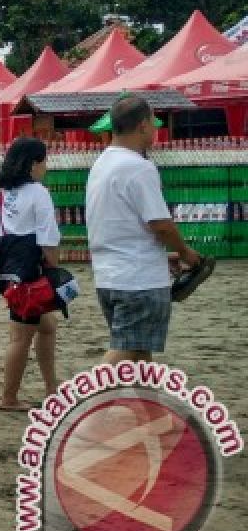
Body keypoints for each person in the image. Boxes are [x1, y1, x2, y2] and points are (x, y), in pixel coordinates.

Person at [86, 96, 201, 364]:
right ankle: (87, 399)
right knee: (125, 352)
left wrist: (161, 258)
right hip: (138, 279)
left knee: (138, 355)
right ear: (142, 126)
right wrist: (184, 252)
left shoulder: (101, 164)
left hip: (108, 276)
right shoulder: (138, 167)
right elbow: (159, 223)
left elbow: (121, 224)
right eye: (153, 122)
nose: (155, 129)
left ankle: (145, 406)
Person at [0, 138, 61, 410]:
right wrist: (55, 270)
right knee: (20, 336)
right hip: (30, 270)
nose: (46, 166)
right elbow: (48, 238)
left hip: (4, 269)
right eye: (44, 160)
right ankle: (9, 398)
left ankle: (51, 388)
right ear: (34, 163)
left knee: (47, 325)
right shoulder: (38, 193)